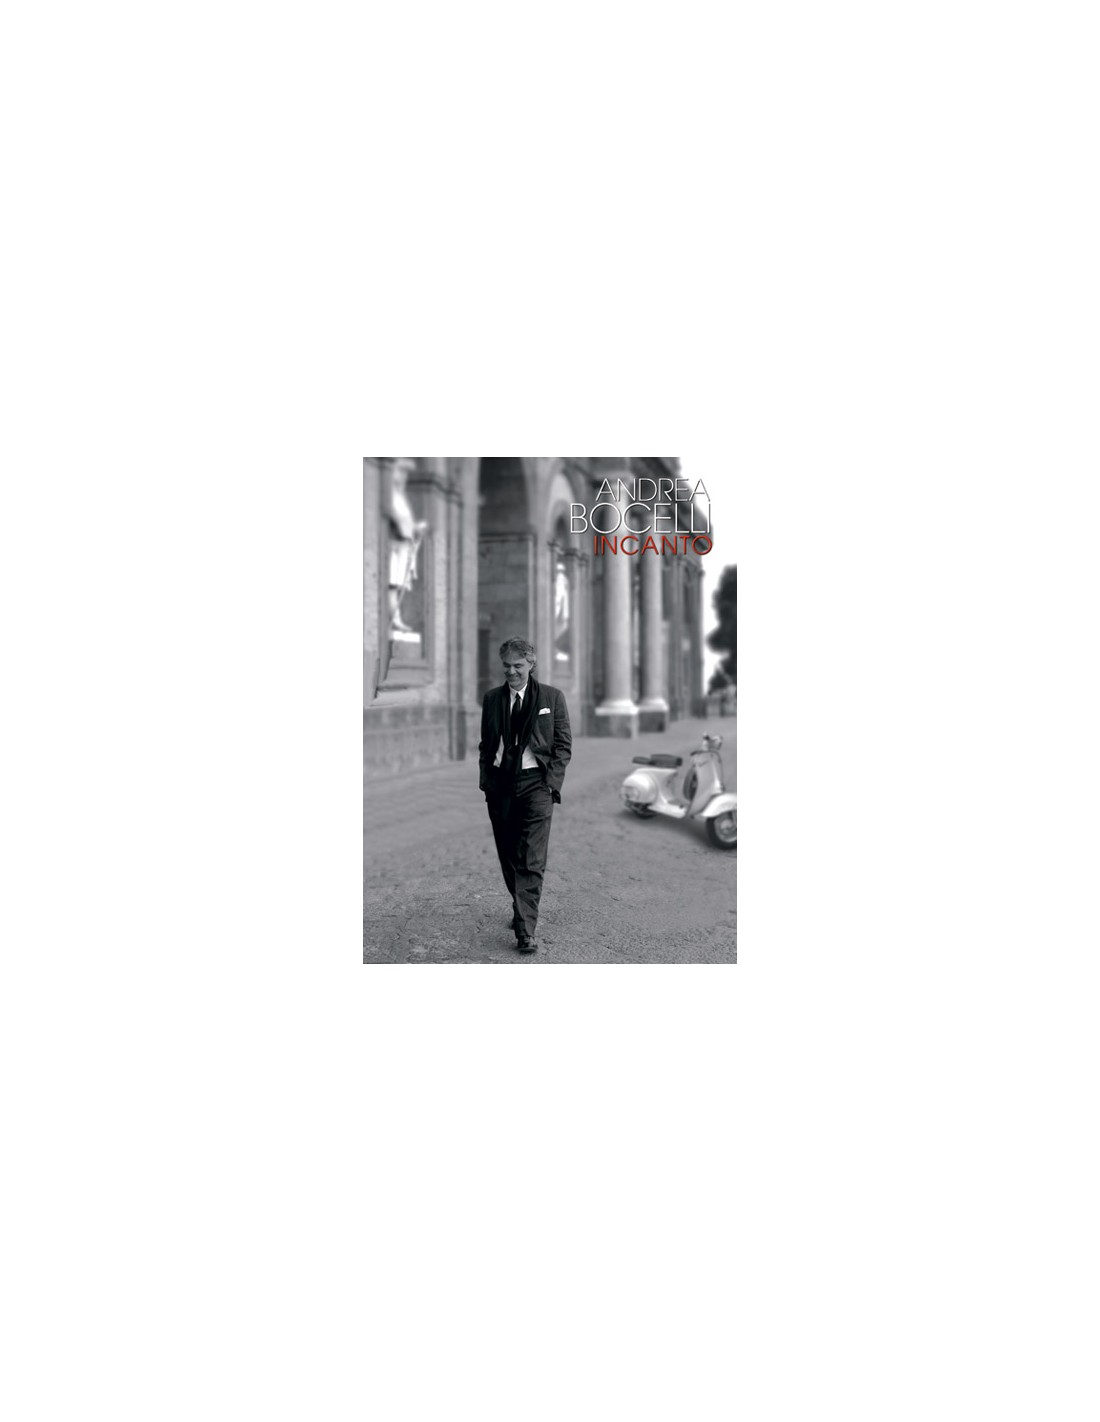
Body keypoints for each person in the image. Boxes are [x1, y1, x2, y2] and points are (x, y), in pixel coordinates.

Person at [478, 637, 572, 954]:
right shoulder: (492, 699)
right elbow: (486, 745)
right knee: (508, 854)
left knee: (532, 857)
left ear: (531, 664)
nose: (511, 672)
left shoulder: (552, 697)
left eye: (518, 665)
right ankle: (521, 905)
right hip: (501, 784)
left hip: (537, 784)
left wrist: (551, 783)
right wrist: (486, 780)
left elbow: (563, 745)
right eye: (506, 666)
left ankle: (525, 929)